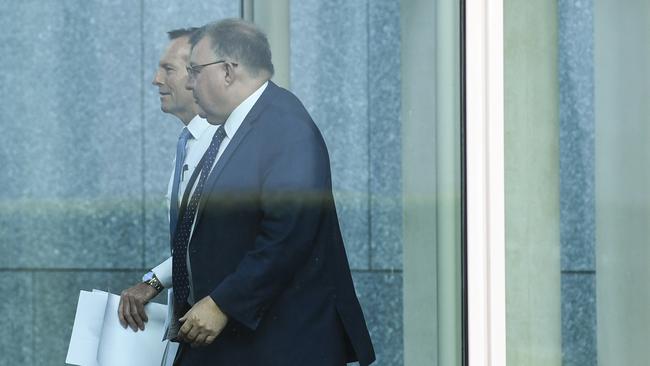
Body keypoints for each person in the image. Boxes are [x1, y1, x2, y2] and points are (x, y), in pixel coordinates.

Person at [170, 18, 375, 365]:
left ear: (228, 71)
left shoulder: (285, 126)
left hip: (278, 345)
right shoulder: (237, 128)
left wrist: (222, 303)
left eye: (194, 71)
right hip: (235, 339)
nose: (189, 84)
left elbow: (287, 235)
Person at [116, 28, 216, 360]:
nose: (156, 79)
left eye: (168, 69)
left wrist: (155, 282)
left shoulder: (224, 147)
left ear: (197, 76)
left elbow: (224, 240)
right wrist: (154, 281)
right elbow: (196, 241)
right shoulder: (188, 145)